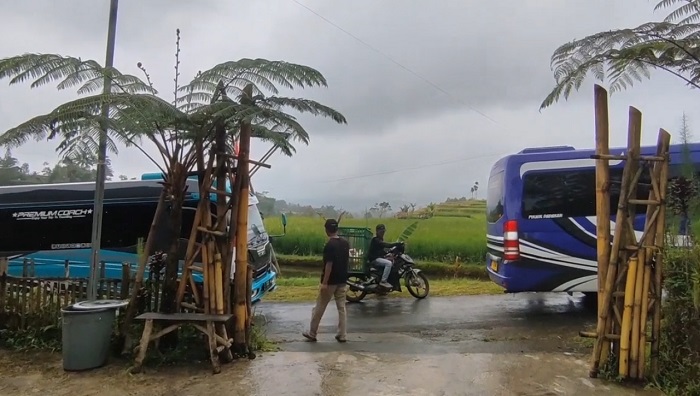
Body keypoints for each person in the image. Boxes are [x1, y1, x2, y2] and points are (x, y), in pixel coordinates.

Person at [302, 218, 350, 343]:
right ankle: (342, 334)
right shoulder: (345, 243)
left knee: (320, 307)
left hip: (331, 281)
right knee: (341, 308)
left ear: (327, 230)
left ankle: (312, 333)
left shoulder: (329, 245)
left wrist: (324, 282)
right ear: (337, 229)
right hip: (342, 280)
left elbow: (329, 265)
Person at [368, 224, 402, 289]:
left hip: (378, 257)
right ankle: (383, 281)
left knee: (391, 260)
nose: (382, 233)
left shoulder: (379, 239)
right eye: (381, 231)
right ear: (377, 231)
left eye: (383, 232)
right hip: (374, 259)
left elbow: (380, 251)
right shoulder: (376, 240)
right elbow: (386, 245)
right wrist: (396, 244)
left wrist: (387, 253)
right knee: (389, 263)